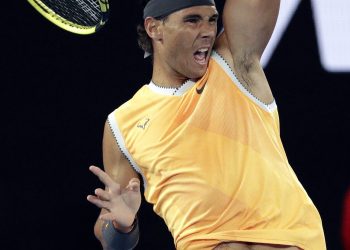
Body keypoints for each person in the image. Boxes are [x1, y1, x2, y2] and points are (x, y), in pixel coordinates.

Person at [87, 0, 326, 249]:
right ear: (154, 28)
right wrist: (122, 226)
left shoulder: (233, 63)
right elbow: (113, 240)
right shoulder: (122, 124)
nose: (208, 31)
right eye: (192, 20)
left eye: (212, 20)